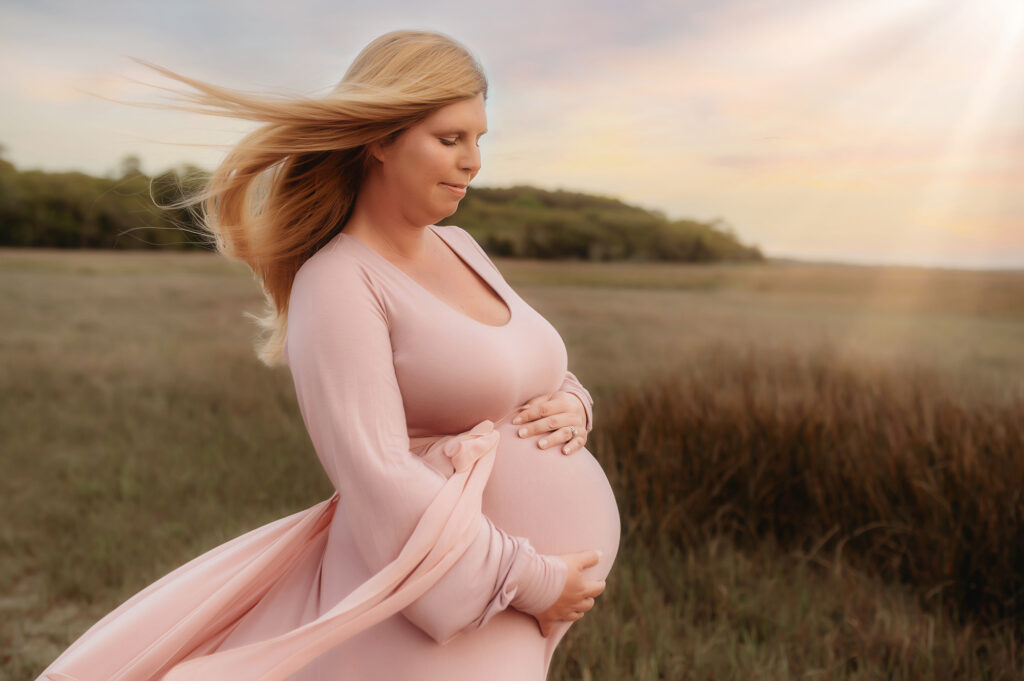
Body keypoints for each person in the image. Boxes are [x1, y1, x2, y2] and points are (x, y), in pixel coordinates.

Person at [36, 29, 620, 681]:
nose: (473, 161)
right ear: (380, 137)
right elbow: (377, 474)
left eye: (480, 139)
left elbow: (528, 367)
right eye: (450, 139)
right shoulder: (338, 281)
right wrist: (532, 577)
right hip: (433, 605)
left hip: (509, 602)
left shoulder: (461, 246)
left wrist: (574, 401)